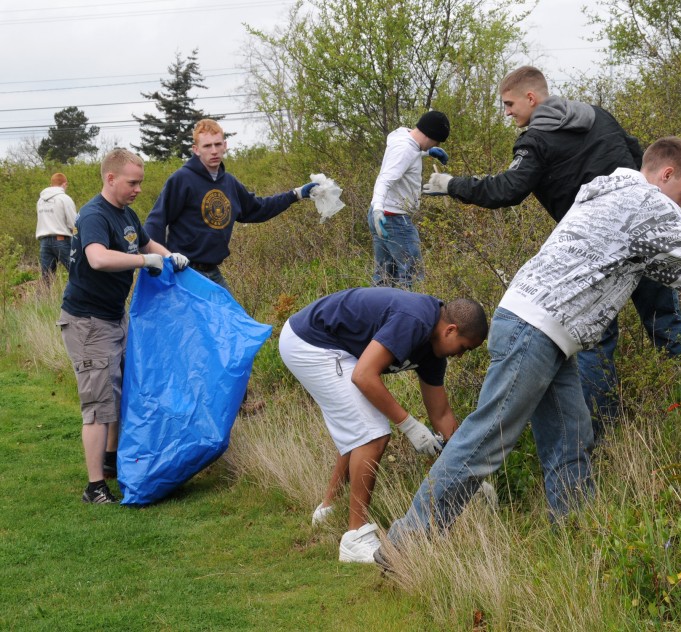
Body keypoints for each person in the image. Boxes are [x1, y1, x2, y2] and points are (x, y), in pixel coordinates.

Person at [378, 137, 681, 562]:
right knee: (484, 443)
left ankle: (579, 547)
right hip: (534, 331)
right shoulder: (646, 202)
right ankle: (406, 545)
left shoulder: (614, 201)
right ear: (666, 174)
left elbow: (678, 272)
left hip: (545, 335)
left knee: (572, 441)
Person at [422, 65, 681, 440]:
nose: (507, 112)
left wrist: (454, 186)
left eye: (509, 104)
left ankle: (602, 431)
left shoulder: (537, 140)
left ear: (531, 98)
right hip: (642, 236)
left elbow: (508, 189)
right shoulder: (598, 116)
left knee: (595, 338)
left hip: (594, 255)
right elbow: (640, 158)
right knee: (663, 316)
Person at [278, 287, 488, 563]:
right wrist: (409, 425)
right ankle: (356, 538)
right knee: (373, 435)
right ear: (450, 330)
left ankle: (328, 509)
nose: (460, 355)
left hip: (327, 345)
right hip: (311, 342)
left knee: (359, 426)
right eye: (464, 348)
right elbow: (364, 376)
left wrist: (470, 470)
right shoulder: (414, 321)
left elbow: (442, 415)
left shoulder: (433, 351)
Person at [57, 148, 190, 504]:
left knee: (122, 391)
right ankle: (94, 486)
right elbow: (98, 258)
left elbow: (146, 243)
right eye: (132, 182)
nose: (138, 189)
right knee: (99, 404)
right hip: (87, 322)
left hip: (115, 317)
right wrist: (144, 260)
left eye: (140, 183)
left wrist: (169, 257)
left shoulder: (126, 214)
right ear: (110, 178)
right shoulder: (94, 215)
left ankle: (113, 462)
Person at [144, 118, 319, 294]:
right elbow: (156, 220)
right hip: (185, 273)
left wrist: (295, 194)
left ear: (225, 145)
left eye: (217, 144)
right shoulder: (182, 180)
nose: (214, 151)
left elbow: (258, 208)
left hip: (213, 272)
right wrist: (160, 261)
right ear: (196, 150)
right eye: (207, 146)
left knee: (233, 319)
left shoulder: (229, 183)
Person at [368, 111, 451, 289]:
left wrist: (427, 152)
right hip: (392, 218)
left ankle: (377, 313)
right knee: (412, 273)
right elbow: (384, 180)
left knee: (384, 275)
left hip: (383, 215)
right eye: (436, 141)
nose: (436, 144)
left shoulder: (401, 136)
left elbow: (408, 152)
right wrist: (378, 211)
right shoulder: (405, 149)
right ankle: (410, 314)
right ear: (430, 135)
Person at [36, 172, 77, 280]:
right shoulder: (64, 198)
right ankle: (85, 296)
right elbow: (73, 223)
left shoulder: (40, 200)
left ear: (51, 184)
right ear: (65, 184)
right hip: (61, 240)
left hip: (44, 242)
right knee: (77, 273)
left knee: (46, 278)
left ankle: (44, 297)